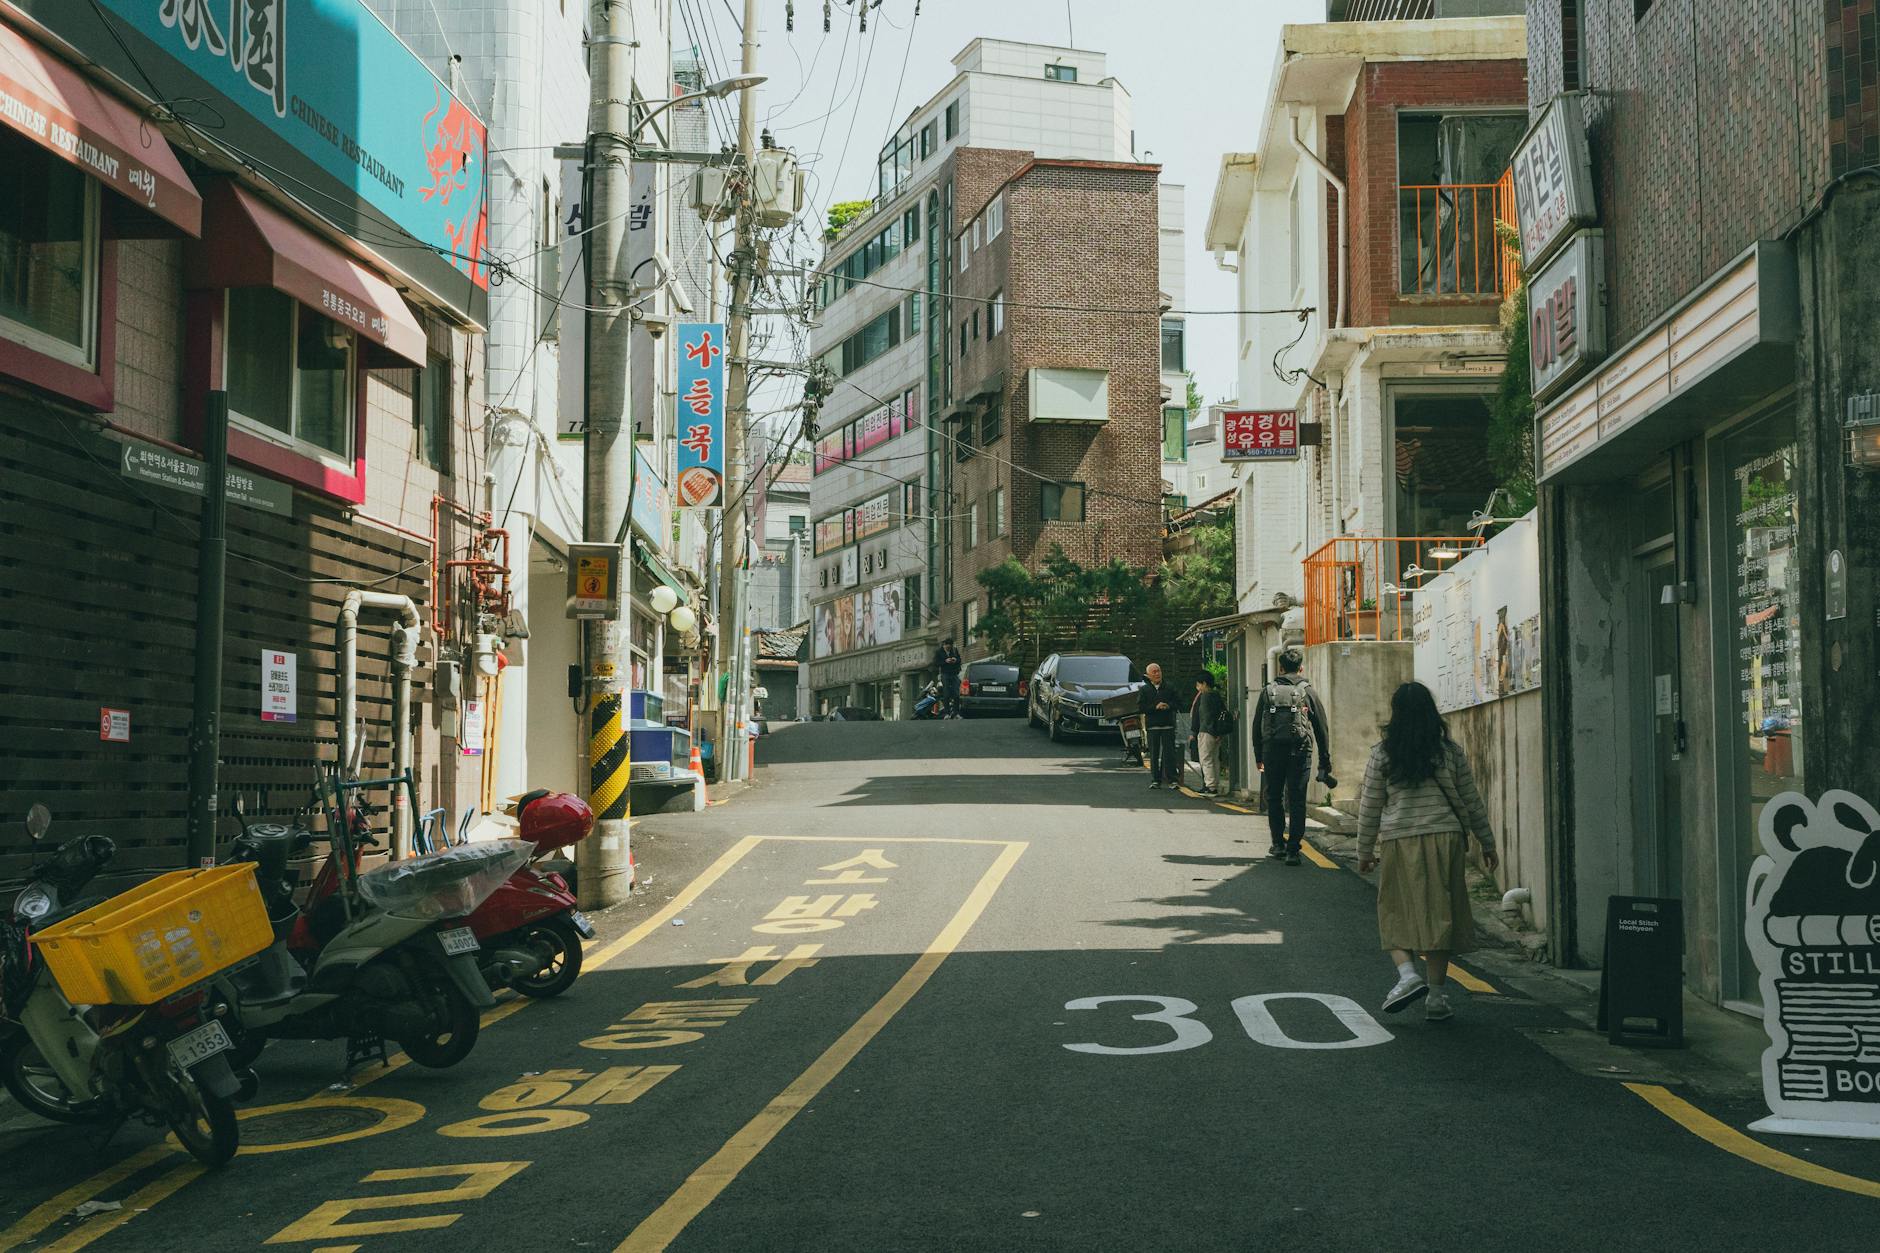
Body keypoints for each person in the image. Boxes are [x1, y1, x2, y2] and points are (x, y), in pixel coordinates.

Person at [1355, 681, 1499, 1023]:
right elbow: (1471, 800)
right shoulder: (1448, 752)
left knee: (1393, 909)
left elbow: (1370, 806)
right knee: (1441, 915)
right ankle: (1436, 996)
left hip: (1401, 839)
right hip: (1446, 838)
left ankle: (1407, 976)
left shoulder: (1382, 753)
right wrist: (1487, 841)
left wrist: (1363, 850)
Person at [1252, 647, 1331, 866]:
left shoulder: (1268, 691)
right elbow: (1321, 727)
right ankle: (1293, 850)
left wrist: (1259, 755)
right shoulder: (1308, 692)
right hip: (1300, 751)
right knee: (1296, 800)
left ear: (1280, 667)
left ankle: (1278, 844)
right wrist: (1325, 760)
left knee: (1274, 796)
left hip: (1272, 751)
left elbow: (1257, 726)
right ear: (1301, 668)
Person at [1138, 662, 1181, 789]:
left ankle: (1172, 779)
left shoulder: (1170, 687)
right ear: (1148, 675)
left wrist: (1168, 706)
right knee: (1154, 754)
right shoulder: (1144, 690)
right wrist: (1155, 707)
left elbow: (1179, 703)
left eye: (1159, 671)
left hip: (1168, 724)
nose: (1157, 674)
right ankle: (1155, 780)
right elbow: (1141, 707)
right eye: (1154, 672)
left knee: (1170, 754)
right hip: (1153, 726)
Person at [1190, 674, 1228, 796]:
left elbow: (1206, 716)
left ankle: (1210, 787)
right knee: (1215, 759)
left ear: (1204, 684)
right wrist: (1218, 732)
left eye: (1198, 684)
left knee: (1206, 759)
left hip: (1206, 731)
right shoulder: (1216, 695)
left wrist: (1209, 730)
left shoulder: (1205, 697)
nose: (1197, 688)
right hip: (1217, 732)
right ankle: (1215, 784)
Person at [933, 638, 963, 718]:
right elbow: (936, 663)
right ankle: (947, 713)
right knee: (946, 693)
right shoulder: (939, 652)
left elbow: (959, 659)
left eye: (950, 647)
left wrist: (955, 660)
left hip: (954, 673)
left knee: (956, 693)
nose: (948, 648)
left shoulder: (954, 650)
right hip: (945, 673)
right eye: (947, 647)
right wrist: (945, 661)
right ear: (944, 645)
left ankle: (956, 713)